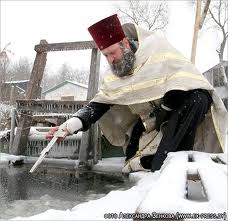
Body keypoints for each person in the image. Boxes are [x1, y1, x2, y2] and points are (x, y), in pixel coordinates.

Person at [47, 14, 227, 173]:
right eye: (105, 56)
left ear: (125, 43)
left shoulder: (156, 49)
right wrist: (68, 127)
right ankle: (155, 161)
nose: (110, 60)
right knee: (135, 161)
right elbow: (98, 105)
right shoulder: (113, 75)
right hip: (146, 127)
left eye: (112, 53)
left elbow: (187, 81)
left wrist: (167, 105)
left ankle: (168, 165)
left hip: (177, 116)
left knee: (198, 97)